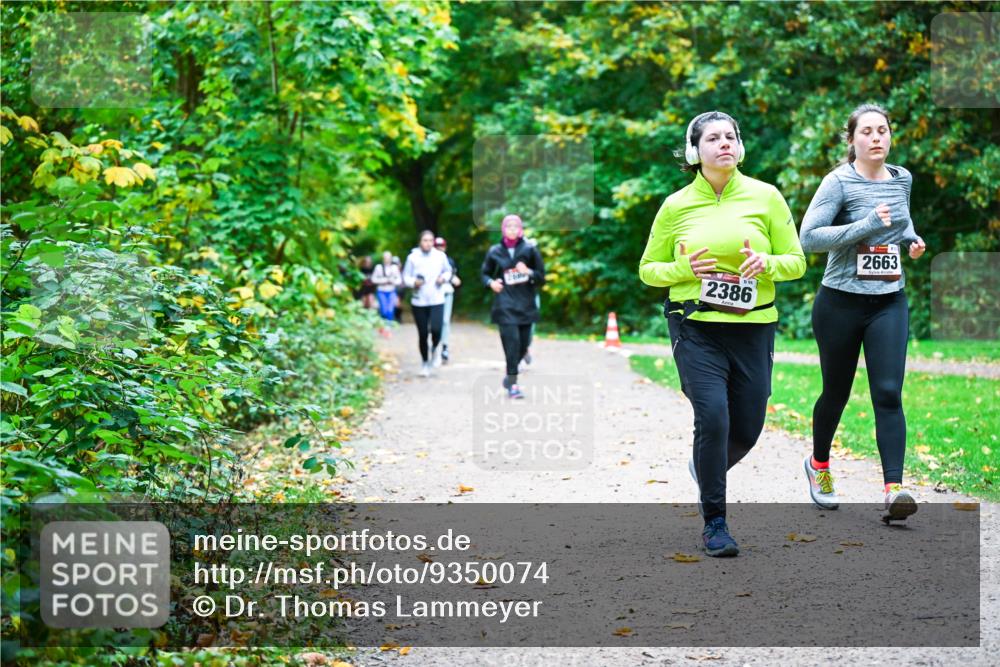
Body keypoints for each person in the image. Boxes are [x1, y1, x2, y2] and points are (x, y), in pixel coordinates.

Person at [639, 111, 806, 557]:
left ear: (741, 146)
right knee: (712, 416)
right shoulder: (676, 206)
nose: (724, 144)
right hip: (695, 326)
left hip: (753, 327)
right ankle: (715, 522)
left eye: (731, 136)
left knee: (747, 428)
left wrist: (766, 263)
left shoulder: (766, 197)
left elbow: (797, 261)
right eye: (713, 138)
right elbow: (648, 270)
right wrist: (683, 269)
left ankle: (704, 465)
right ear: (695, 152)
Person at [799, 103, 926, 521]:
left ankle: (894, 490)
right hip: (840, 303)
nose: (876, 138)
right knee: (836, 391)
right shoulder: (838, 182)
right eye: (867, 131)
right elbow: (810, 238)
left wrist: (911, 239)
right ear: (851, 139)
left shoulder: (902, 179)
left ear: (891, 137)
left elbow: (901, 223)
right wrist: (866, 223)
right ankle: (819, 467)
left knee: (888, 392)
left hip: (889, 300)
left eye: (883, 131)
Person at [481, 214, 545, 399]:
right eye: (508, 226)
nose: (511, 229)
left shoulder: (530, 249)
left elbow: (542, 277)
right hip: (505, 305)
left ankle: (511, 376)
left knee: (523, 345)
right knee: (512, 344)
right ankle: (513, 384)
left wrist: (530, 272)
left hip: (526, 305)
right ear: (503, 229)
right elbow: (484, 274)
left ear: (520, 229)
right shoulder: (495, 251)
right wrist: (491, 283)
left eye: (515, 226)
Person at [402, 231, 452, 377]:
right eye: (425, 240)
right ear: (420, 242)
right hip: (419, 301)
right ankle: (425, 362)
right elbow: (405, 277)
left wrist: (443, 278)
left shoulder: (440, 256)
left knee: (437, 329)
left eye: (430, 240)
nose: (428, 243)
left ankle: (435, 348)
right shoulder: (412, 258)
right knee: (423, 334)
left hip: (437, 299)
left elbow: (448, 272)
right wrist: (414, 282)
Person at [434, 236, 462, 364]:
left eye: (442, 246)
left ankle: (444, 347)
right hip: (434, 294)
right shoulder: (430, 260)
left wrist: (454, 279)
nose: (440, 249)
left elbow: (452, 275)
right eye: (437, 246)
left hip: (446, 292)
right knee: (434, 322)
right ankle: (435, 346)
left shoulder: (449, 260)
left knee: (445, 321)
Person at [372, 250, 402, 323]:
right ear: (383, 258)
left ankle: (389, 324)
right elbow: (373, 279)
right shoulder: (378, 267)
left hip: (391, 291)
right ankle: (384, 323)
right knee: (384, 309)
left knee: (390, 309)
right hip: (381, 291)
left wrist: (392, 281)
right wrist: (384, 281)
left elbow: (399, 280)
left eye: (389, 258)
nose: (387, 259)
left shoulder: (394, 268)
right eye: (386, 258)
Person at [392, 256, 404, 323]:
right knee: (396, 303)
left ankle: (398, 317)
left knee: (398, 303)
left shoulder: (402, 271)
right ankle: (396, 317)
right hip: (392, 288)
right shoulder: (390, 270)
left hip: (400, 289)